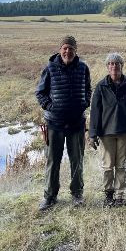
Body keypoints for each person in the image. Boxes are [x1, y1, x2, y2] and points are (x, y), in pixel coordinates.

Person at [35, 35, 91, 211]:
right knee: (53, 161)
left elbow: (88, 88)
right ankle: (50, 196)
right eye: (65, 48)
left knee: (77, 160)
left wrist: (85, 102)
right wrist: (51, 107)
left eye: (71, 48)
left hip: (76, 123)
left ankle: (77, 194)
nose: (68, 51)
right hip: (55, 124)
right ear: (60, 49)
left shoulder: (83, 67)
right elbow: (40, 93)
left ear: (76, 50)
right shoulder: (50, 68)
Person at [88, 53, 126, 207]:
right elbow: (95, 112)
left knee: (121, 165)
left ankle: (119, 196)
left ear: (121, 66)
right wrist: (92, 134)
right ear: (107, 67)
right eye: (111, 63)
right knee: (107, 166)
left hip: (124, 132)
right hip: (106, 133)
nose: (114, 66)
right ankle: (108, 194)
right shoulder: (101, 86)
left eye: (117, 63)